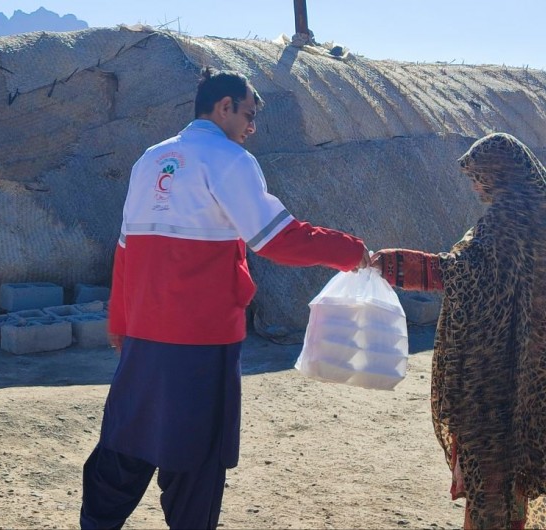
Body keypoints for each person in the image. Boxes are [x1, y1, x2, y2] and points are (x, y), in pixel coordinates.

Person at [79, 66, 370, 529]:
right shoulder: (228, 159)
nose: (251, 128)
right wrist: (351, 251)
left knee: (129, 433)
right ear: (224, 107)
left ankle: (97, 522)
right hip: (202, 334)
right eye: (249, 116)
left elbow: (126, 250)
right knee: (196, 449)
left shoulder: (150, 159)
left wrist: (120, 321)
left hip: (144, 330)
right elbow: (276, 239)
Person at [371, 132, 546, 529]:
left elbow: (463, 273)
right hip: (535, 375)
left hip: (494, 376)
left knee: (492, 476)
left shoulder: (506, 222)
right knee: (522, 470)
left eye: (479, 178)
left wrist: (396, 265)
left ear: (498, 175)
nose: (476, 187)